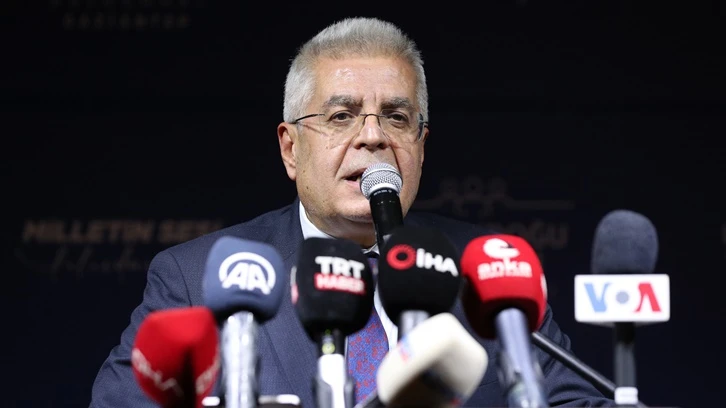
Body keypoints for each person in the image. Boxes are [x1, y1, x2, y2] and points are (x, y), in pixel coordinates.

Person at [90, 16, 616, 407]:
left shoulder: (486, 272)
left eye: (396, 117)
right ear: (290, 148)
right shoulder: (196, 278)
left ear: (421, 147)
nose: (372, 136)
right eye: (341, 116)